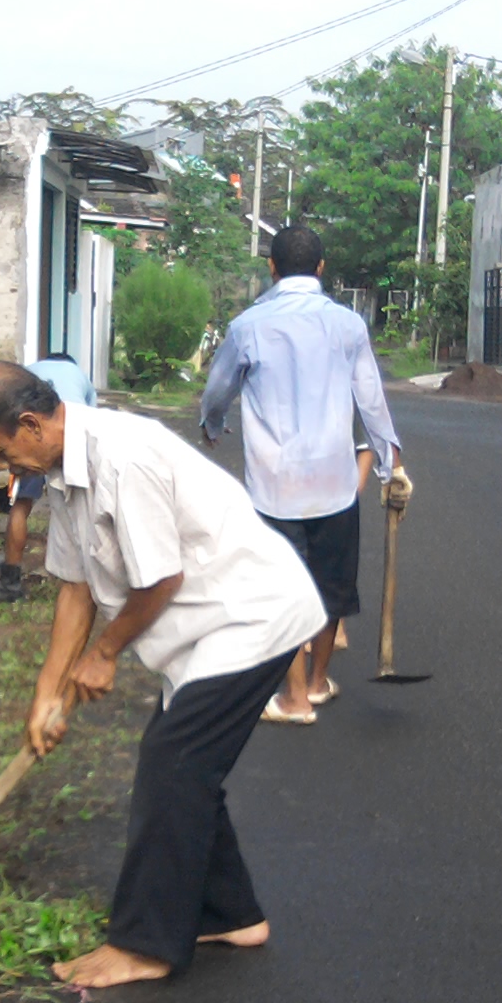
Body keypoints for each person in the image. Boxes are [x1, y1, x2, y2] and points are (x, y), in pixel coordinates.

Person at [0, 361, 326, 990]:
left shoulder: (121, 459)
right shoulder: (65, 472)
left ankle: (145, 943)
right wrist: (48, 694)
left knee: (173, 761)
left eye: (0, 451)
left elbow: (161, 579)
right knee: (185, 768)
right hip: (207, 630)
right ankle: (228, 912)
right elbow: (74, 589)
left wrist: (103, 655)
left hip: (250, 615)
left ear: (29, 425)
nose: (3, 468)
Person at [199, 224, 412, 725]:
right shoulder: (347, 325)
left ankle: (293, 700)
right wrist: (391, 464)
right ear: (321, 268)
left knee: (281, 589)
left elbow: (217, 391)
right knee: (332, 585)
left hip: (274, 488)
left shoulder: (247, 326)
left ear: (270, 267)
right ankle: (316, 683)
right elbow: (371, 400)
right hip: (335, 483)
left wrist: (212, 423)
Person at [0, 352, 95, 603]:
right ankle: (84, 579)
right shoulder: (82, 377)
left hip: (31, 440)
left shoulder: (26, 371)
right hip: (69, 438)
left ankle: (10, 583)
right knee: (82, 507)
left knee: (21, 507)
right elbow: (92, 421)